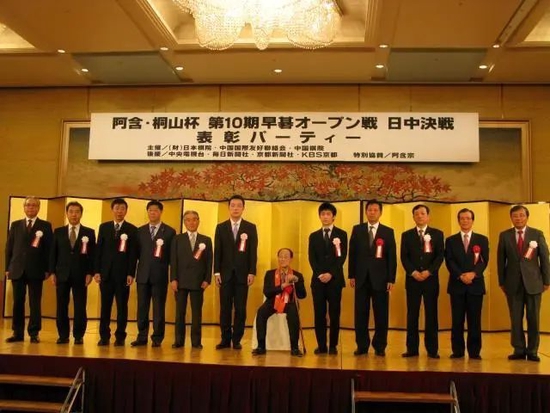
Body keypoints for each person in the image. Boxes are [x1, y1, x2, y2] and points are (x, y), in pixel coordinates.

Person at [497, 205, 550, 362]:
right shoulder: (505, 235)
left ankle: (532, 351)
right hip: (512, 284)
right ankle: (519, 349)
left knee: (533, 318)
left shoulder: (537, 234)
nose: (518, 218)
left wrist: (547, 280)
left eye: (521, 215)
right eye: (515, 216)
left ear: (527, 217)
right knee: (515, 318)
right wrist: (502, 281)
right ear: (511, 218)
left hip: (534, 283)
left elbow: (544, 259)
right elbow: (500, 260)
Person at [349, 199, 396, 356]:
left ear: (380, 212)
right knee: (360, 313)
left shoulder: (388, 232)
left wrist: (391, 279)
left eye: (375, 210)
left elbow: (392, 257)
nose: (372, 213)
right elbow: (352, 254)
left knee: (381, 314)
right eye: (369, 210)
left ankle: (380, 346)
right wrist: (351, 275)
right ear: (366, 212)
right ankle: (362, 345)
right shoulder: (357, 229)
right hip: (361, 278)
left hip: (381, 279)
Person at [5, 196, 53, 343]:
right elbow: (9, 248)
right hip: (17, 269)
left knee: (35, 302)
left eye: (34, 205)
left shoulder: (45, 226)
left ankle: (34, 332)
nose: (31, 208)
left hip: (36, 270)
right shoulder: (15, 225)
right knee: (18, 302)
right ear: (24, 207)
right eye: (28, 205)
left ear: (38, 208)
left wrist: (48, 269)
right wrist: (7, 268)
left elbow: (49, 250)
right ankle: (17, 333)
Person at [214, 195, 258, 350]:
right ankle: (225, 339)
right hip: (225, 275)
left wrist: (252, 272)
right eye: (233, 205)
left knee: (240, 308)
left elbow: (253, 252)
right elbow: (217, 251)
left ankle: (237, 339)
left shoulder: (250, 227)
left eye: (239, 205)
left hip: (242, 275)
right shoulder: (221, 227)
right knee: (225, 308)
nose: (236, 208)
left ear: (243, 208)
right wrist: (216, 272)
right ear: (229, 207)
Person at [400, 204, 444, 359]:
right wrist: (413, 272)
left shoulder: (437, 234)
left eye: (423, 213)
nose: (420, 216)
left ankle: (432, 349)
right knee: (412, 314)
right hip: (412, 280)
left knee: (431, 314)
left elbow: (440, 256)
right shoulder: (407, 235)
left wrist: (429, 271)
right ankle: (412, 349)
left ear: (428, 216)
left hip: (430, 280)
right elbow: (404, 257)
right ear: (413, 217)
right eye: (416, 214)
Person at [49, 201, 96, 344]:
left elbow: (92, 255)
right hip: (62, 274)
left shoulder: (89, 232)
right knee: (61, 305)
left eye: (77, 212)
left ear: (81, 214)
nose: (74, 214)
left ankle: (78, 335)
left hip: (81, 275)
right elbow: (53, 254)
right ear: (67, 213)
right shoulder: (58, 232)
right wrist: (52, 272)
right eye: (71, 211)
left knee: (80, 306)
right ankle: (63, 335)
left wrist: (90, 273)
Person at [445, 208, 489, 360]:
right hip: (457, 285)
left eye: (468, 218)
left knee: (474, 320)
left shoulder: (482, 239)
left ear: (472, 220)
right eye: (462, 218)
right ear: (458, 221)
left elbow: (484, 260)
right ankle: (457, 351)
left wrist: (473, 274)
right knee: (457, 320)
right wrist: (460, 275)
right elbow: (449, 260)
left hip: (475, 286)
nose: (465, 221)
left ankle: (474, 351)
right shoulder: (451, 240)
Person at [131, 200, 176, 348]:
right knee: (142, 308)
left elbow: (172, 257)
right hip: (143, 275)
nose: (152, 213)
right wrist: (131, 273)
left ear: (161, 212)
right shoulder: (140, 231)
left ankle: (157, 337)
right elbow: (135, 255)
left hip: (160, 276)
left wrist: (173, 277)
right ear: (147, 212)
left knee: (158, 309)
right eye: (150, 210)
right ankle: (142, 336)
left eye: (155, 210)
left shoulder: (169, 232)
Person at [94, 198, 138, 346]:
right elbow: (98, 250)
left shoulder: (132, 229)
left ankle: (120, 336)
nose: (119, 211)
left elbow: (133, 254)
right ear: (112, 210)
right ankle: (104, 336)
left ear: (126, 211)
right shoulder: (104, 227)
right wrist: (97, 271)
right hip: (105, 274)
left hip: (123, 275)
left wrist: (131, 273)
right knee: (105, 307)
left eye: (122, 208)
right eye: (117, 208)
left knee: (122, 307)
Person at [308, 202, 347, 355]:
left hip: (335, 280)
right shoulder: (314, 236)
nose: (325, 217)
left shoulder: (342, 234)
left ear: (333, 216)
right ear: (319, 216)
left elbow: (341, 257)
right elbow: (312, 258)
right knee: (319, 314)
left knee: (334, 313)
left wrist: (330, 273)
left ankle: (333, 345)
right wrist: (320, 274)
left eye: (328, 214)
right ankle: (321, 345)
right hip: (318, 282)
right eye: (323, 214)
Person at [170, 210, 213, 349]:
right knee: (180, 313)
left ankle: (196, 342)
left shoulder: (206, 240)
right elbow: (173, 261)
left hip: (198, 282)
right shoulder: (177, 239)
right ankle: (179, 341)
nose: (191, 222)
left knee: (196, 314)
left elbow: (209, 262)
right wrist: (173, 279)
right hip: (180, 281)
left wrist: (207, 279)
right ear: (184, 222)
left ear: (198, 221)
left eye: (194, 219)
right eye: (188, 220)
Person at [252, 248, 306, 357]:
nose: (283, 259)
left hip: (289, 302)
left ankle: (294, 348)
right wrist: (282, 286)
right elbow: (267, 292)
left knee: (293, 313)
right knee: (261, 312)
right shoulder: (270, 274)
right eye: (280, 257)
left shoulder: (297, 275)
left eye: (286, 257)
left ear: (291, 259)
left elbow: (302, 295)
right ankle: (261, 346)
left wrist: (297, 281)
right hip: (273, 301)